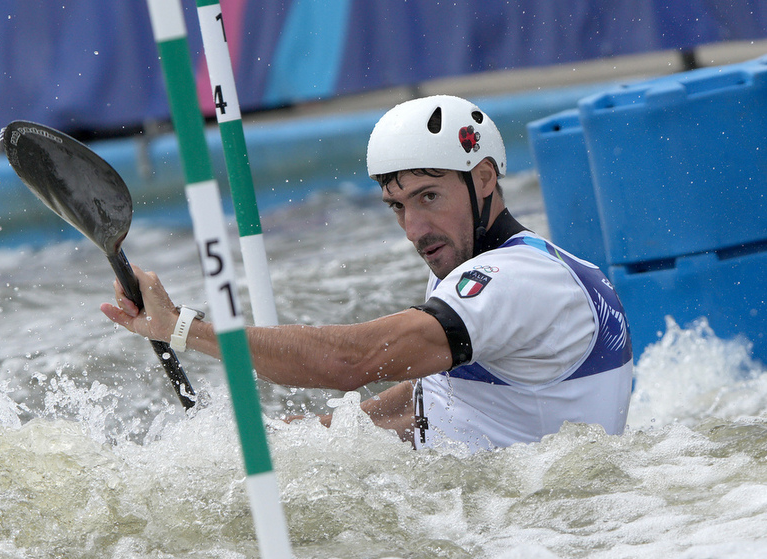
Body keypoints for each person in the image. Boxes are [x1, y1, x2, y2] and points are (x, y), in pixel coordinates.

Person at [101, 95, 633, 452]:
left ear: (485, 177)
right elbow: (441, 396)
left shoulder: (514, 282)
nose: (414, 229)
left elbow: (349, 360)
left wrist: (181, 327)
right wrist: (308, 438)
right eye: (397, 205)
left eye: (429, 196)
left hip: (530, 529)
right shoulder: (478, 261)